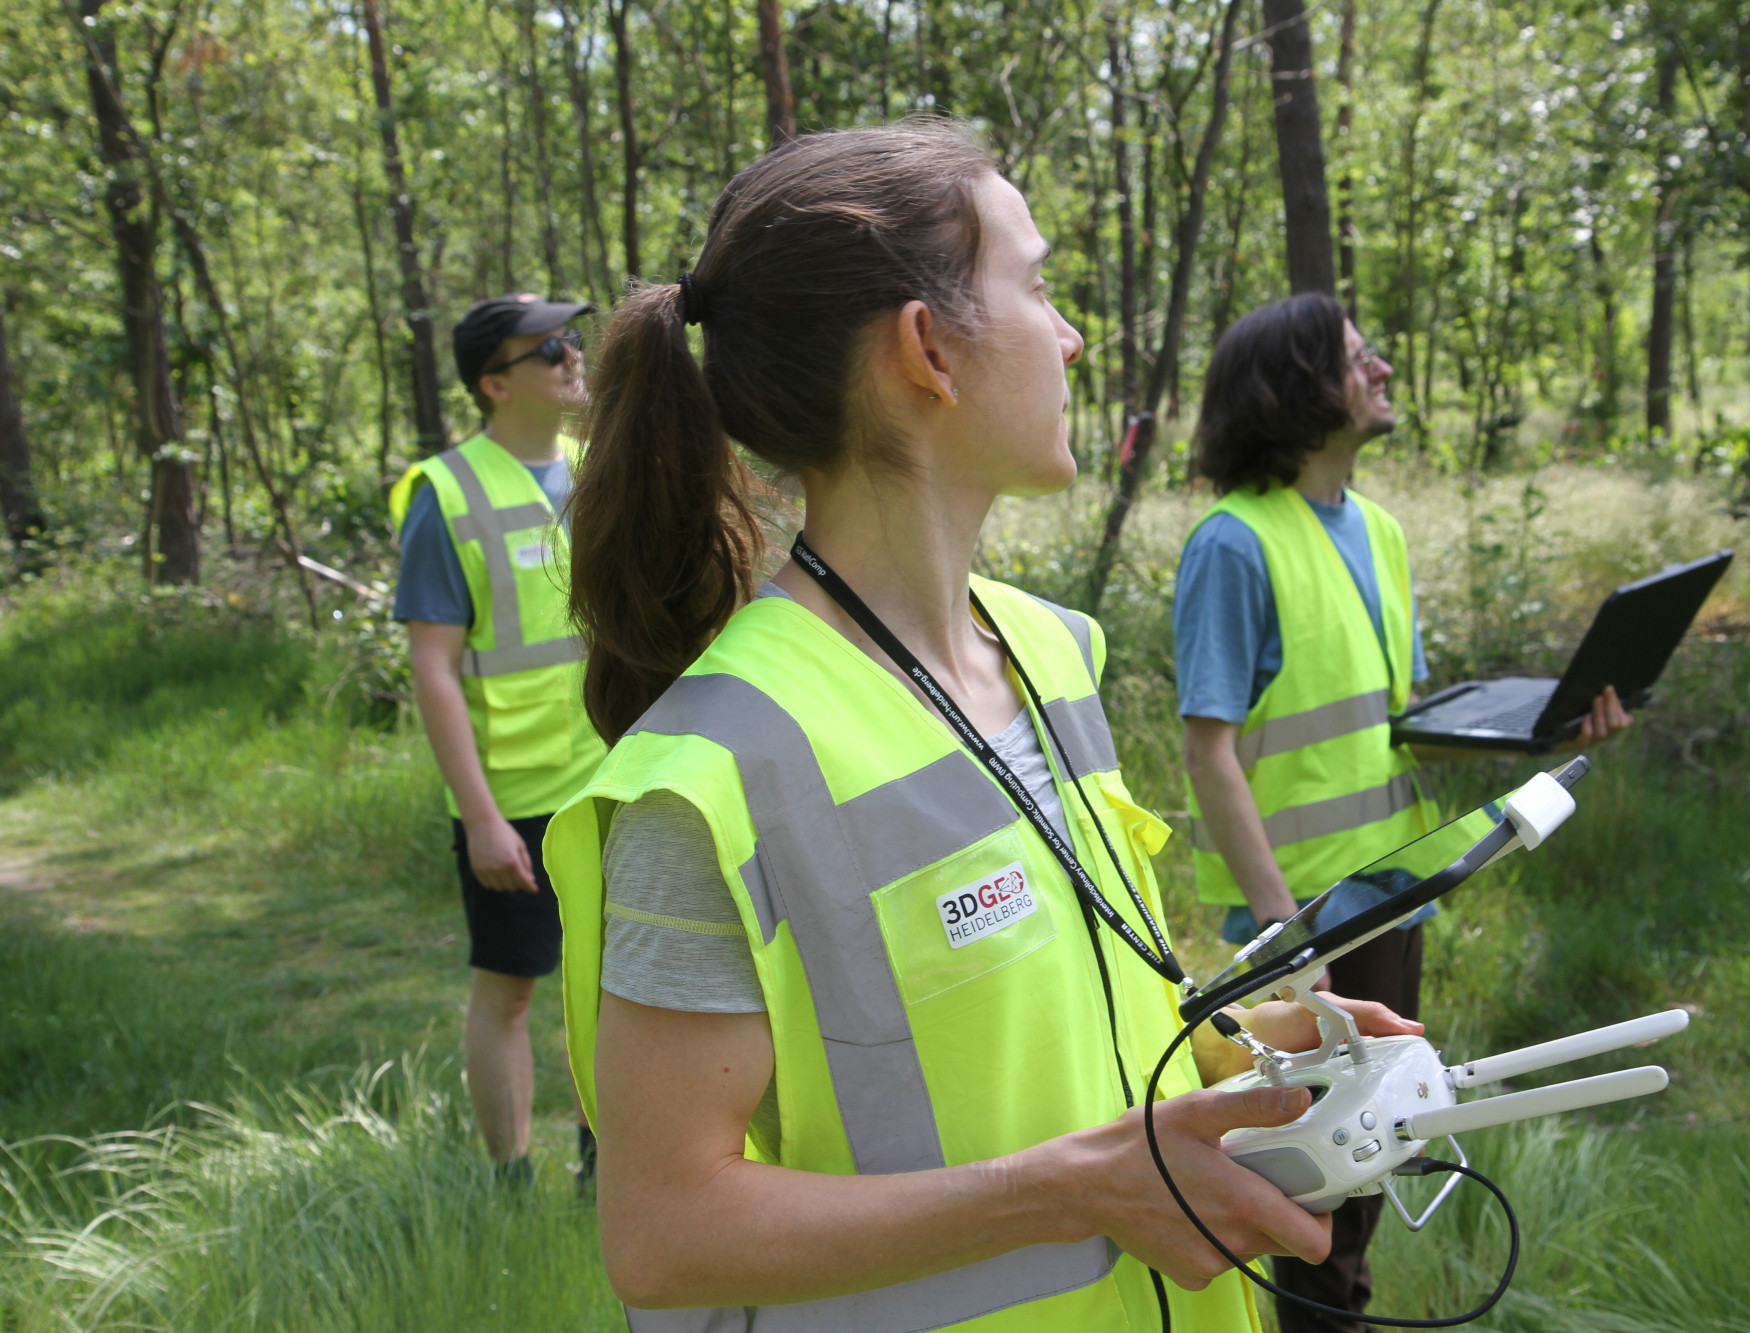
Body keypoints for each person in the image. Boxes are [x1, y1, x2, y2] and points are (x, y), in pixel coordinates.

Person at [541, 121, 1422, 1332]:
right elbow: (660, 1232)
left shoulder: (1049, 649)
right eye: (1039, 284)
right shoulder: (712, 776)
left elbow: (1055, 1011)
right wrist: (1072, 1186)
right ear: (927, 352)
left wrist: (1231, 1042)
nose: (1070, 334)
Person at [1174, 292, 1631, 1332]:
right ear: (1294, 390)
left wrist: (1553, 727)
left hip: (1397, 899)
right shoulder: (1231, 545)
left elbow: (1396, 727)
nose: (1380, 369)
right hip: (1304, 927)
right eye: (1355, 357)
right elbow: (1208, 755)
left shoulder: (1376, 531)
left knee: (1376, 1156)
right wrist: (1286, 940)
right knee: (1312, 1195)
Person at [389, 293, 609, 1185]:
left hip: (612, 779)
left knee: (614, 988)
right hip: (510, 798)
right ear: (493, 382)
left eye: (573, 342)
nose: (571, 358)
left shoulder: (600, 470)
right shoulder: (444, 494)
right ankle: (511, 1179)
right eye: (548, 348)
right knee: (512, 989)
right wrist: (480, 819)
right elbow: (434, 668)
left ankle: (609, 1164)